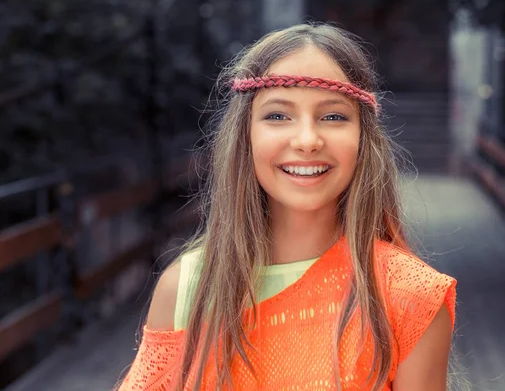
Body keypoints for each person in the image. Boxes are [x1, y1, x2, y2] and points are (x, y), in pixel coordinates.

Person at [115, 22, 457, 391]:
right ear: (245, 135)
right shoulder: (185, 289)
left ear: (364, 139)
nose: (307, 140)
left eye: (333, 116)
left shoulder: (409, 297)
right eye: (278, 115)